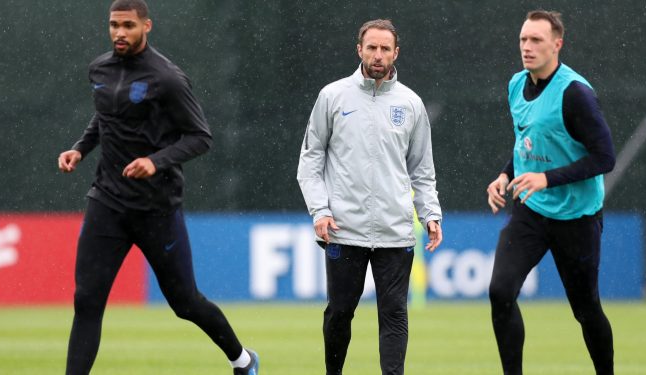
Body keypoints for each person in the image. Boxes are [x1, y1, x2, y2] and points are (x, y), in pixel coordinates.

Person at [56, 1, 258, 374]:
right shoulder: (99, 68)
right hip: (107, 202)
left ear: (147, 26)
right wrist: (80, 149)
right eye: (114, 25)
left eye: (128, 25)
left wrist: (156, 161)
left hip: (156, 208)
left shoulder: (167, 78)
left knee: (185, 303)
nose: (119, 32)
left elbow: (200, 137)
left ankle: (242, 359)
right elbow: (106, 116)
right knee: (87, 300)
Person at [297, 19, 443, 375]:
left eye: (385, 49)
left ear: (396, 53)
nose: (378, 55)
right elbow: (310, 160)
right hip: (344, 228)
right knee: (340, 312)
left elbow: (421, 169)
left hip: (395, 230)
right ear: (359, 49)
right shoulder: (332, 96)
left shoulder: (411, 103)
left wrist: (430, 213)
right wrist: (320, 210)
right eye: (372, 47)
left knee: (394, 314)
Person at [485, 10, 616, 375]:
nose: (527, 47)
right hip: (531, 211)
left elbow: (605, 157)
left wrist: (546, 178)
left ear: (557, 44)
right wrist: (504, 174)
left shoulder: (575, 93)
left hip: (577, 216)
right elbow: (525, 139)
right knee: (500, 292)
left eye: (536, 40)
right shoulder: (515, 85)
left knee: (586, 309)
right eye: (523, 40)